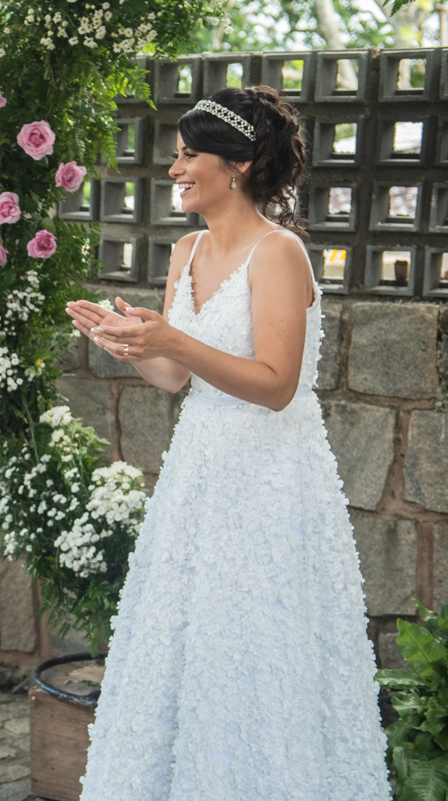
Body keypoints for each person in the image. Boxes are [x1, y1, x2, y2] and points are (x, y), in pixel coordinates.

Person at [67, 86, 390, 799]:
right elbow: (177, 375)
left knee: (258, 644)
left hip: (272, 474)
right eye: (175, 156)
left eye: (188, 155)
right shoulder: (186, 250)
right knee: (188, 643)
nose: (174, 169)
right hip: (199, 474)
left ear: (237, 165)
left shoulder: (281, 255)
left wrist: (171, 334)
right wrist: (130, 346)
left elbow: (276, 383)